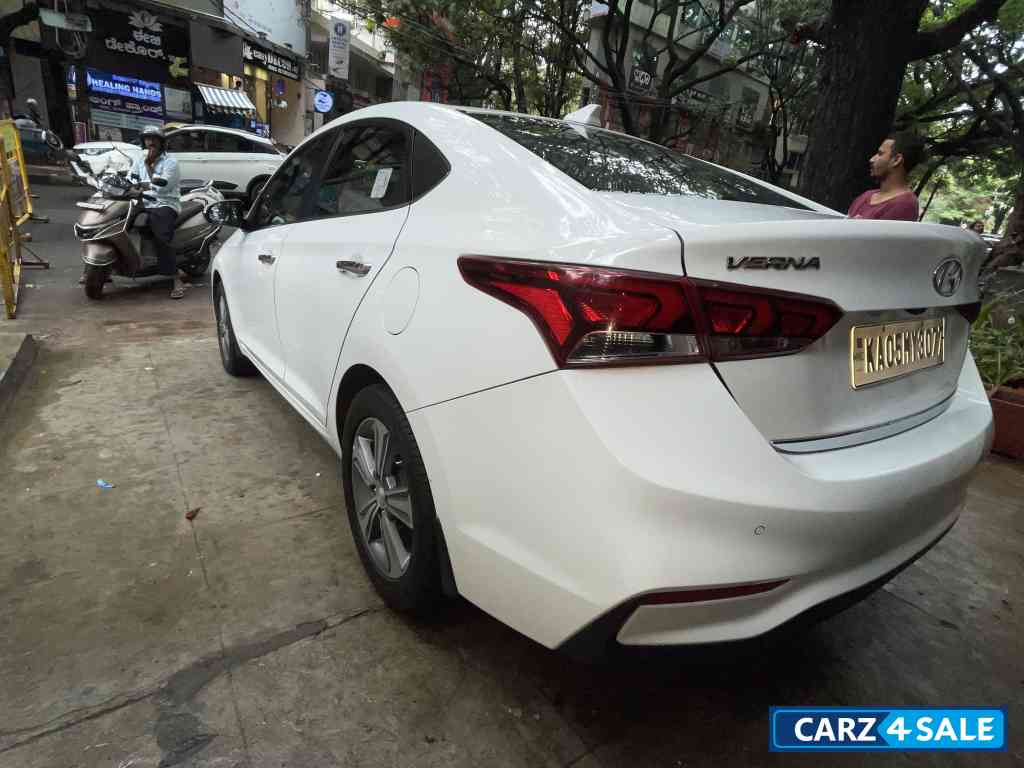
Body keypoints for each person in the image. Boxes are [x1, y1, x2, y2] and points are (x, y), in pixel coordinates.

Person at [134, 125, 186, 299]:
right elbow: (131, 177)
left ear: (161, 143)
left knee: (162, 236)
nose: (150, 143)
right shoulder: (139, 158)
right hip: (141, 200)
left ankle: (175, 278)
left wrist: (149, 168)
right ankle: (99, 269)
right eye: (147, 139)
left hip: (163, 203)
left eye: (154, 140)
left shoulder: (171, 162)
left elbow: (162, 188)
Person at [847, 131, 926, 221]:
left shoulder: (905, 205)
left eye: (880, 154)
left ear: (896, 160)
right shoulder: (866, 195)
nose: (871, 159)